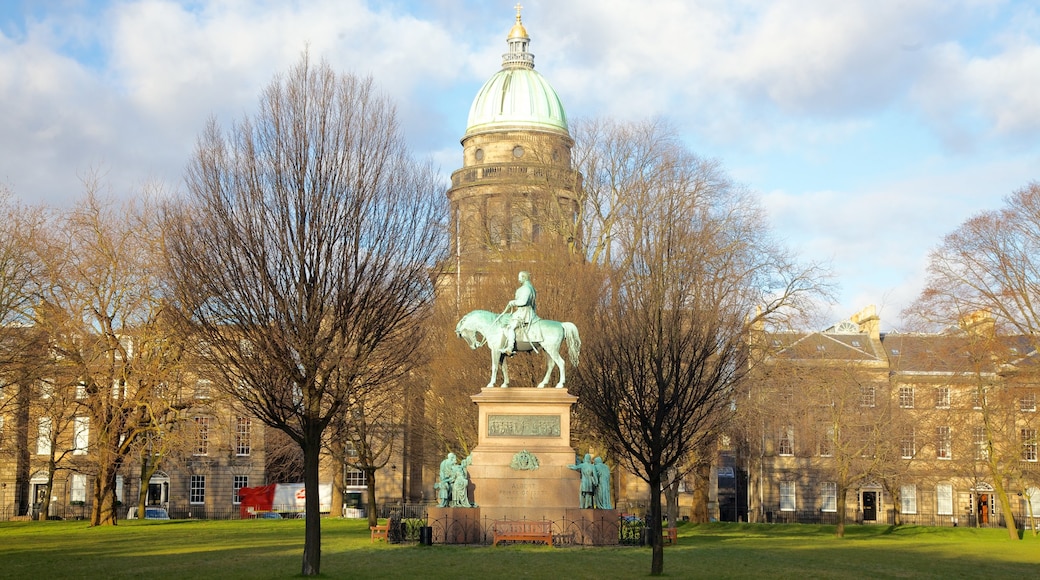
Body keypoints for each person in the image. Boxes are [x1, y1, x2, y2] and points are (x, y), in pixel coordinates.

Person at [504, 271, 537, 355]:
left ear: (524, 277)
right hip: (526, 311)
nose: (518, 279)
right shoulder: (531, 288)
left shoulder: (526, 288)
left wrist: (513, 302)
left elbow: (523, 301)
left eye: (520, 277)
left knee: (510, 327)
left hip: (524, 313)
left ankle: (510, 347)